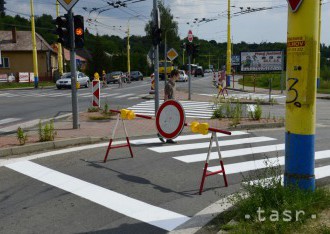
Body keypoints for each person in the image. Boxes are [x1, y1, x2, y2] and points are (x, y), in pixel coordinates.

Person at [157, 69, 180, 144]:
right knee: (169, 121)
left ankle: (168, 138)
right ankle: (161, 134)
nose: (179, 77)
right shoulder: (168, 85)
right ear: (174, 75)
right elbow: (166, 96)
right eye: (178, 75)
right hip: (168, 106)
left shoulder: (174, 84)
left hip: (173, 106)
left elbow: (173, 96)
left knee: (170, 122)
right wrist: (165, 107)